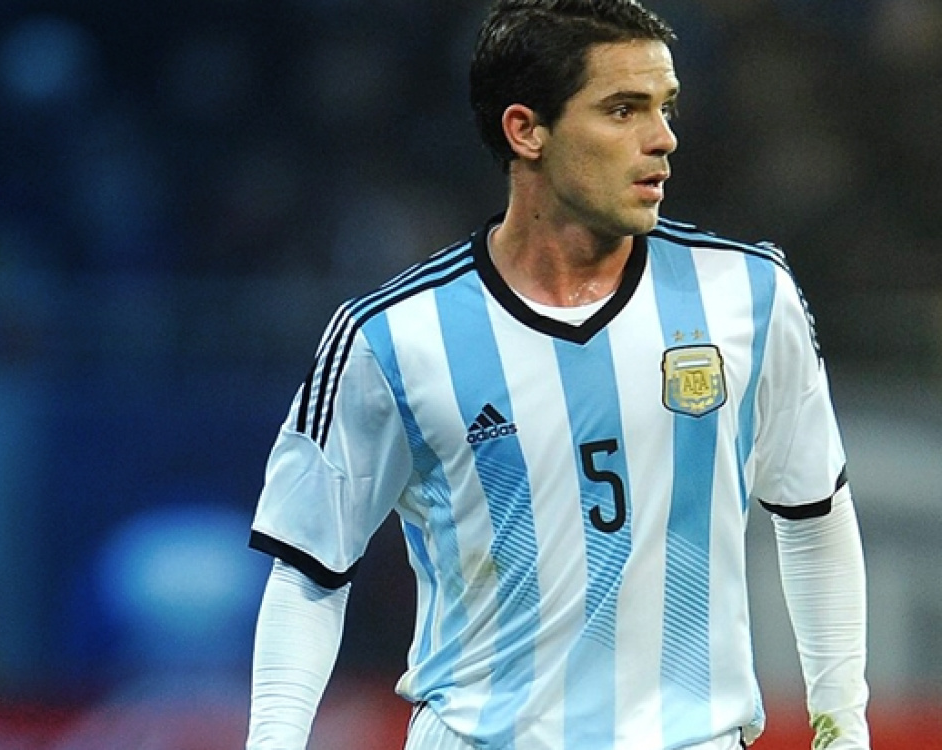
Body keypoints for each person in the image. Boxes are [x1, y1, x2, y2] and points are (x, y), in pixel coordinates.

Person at [245, 1, 870, 748]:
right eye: (623, 110)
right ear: (526, 130)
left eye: (665, 107)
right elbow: (309, 571)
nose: (663, 138)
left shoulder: (748, 294)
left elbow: (814, 517)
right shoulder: (392, 336)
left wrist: (843, 732)